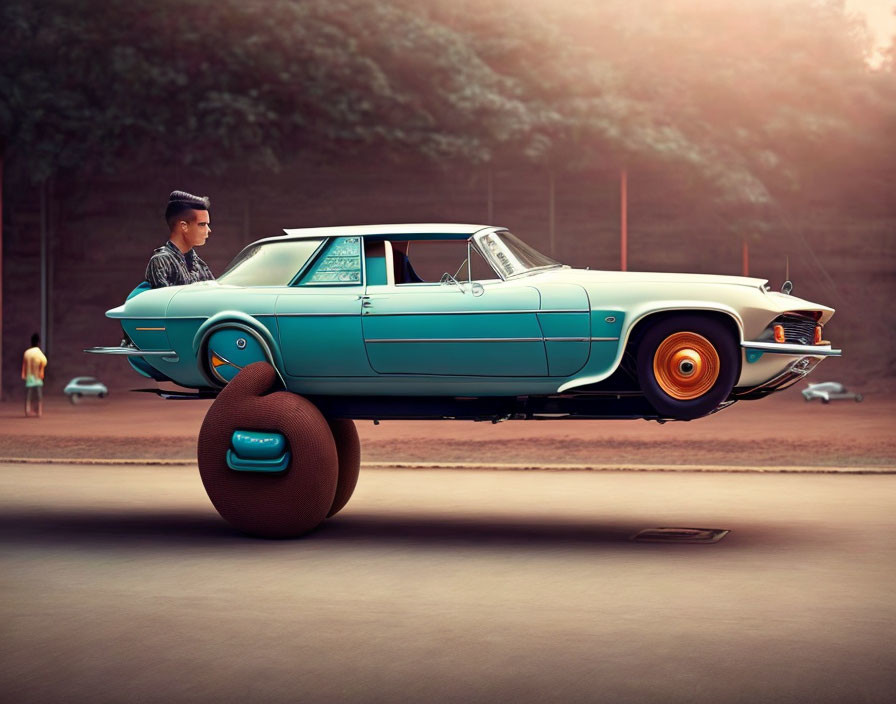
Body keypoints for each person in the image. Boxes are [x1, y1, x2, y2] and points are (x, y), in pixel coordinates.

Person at [145, 190, 214, 288]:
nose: (208, 230)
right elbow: (163, 301)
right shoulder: (161, 262)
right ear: (184, 226)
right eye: (202, 224)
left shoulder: (199, 264)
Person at [22, 333, 47, 418]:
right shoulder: (39, 353)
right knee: (38, 395)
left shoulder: (27, 352)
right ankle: (39, 411)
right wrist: (41, 371)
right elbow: (44, 362)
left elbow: (24, 365)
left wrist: (23, 374)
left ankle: (27, 411)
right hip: (37, 377)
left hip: (29, 377)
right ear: (38, 343)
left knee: (28, 395)